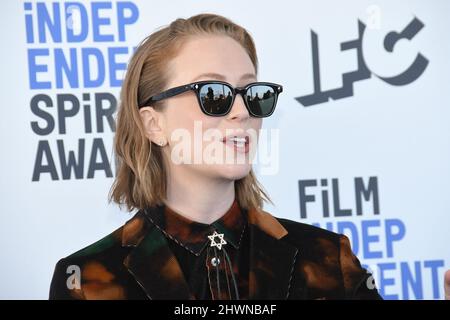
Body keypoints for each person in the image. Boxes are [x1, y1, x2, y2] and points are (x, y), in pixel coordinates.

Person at [49, 13, 386, 300]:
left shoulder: (327, 258)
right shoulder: (86, 280)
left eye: (253, 93)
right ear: (154, 124)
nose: (242, 111)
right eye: (212, 93)